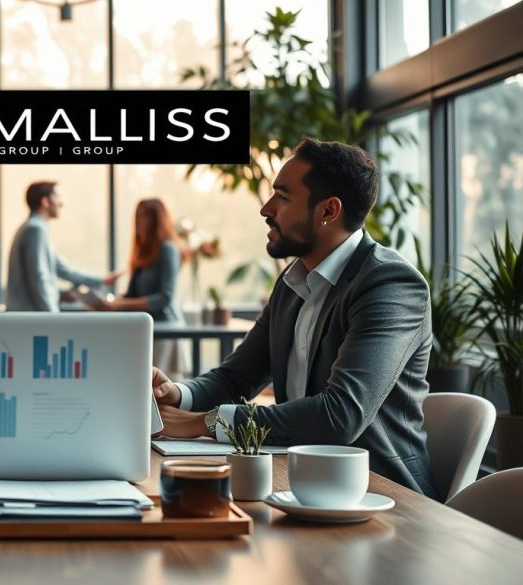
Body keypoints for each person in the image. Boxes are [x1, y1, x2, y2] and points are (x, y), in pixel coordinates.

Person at [151, 137, 438, 497]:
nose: (266, 208)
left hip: (384, 497)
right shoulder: (292, 283)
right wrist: (176, 394)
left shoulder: (390, 284)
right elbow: (235, 378)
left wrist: (203, 423)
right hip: (297, 484)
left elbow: (340, 415)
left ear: (328, 211)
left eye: (283, 197)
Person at [88, 198, 186, 373]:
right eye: (138, 216)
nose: (139, 222)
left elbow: (165, 297)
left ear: (156, 221)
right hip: (144, 329)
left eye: (144, 216)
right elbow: (131, 295)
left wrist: (120, 304)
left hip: (165, 331)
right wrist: (109, 303)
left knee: (162, 392)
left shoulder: (168, 249)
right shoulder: (143, 253)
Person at [6, 181, 118, 311]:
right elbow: (38, 277)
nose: (62, 203)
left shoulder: (32, 228)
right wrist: (52, 316)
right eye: (57, 197)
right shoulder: (36, 229)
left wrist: (102, 280)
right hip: (33, 317)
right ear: (45, 201)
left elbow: (62, 269)